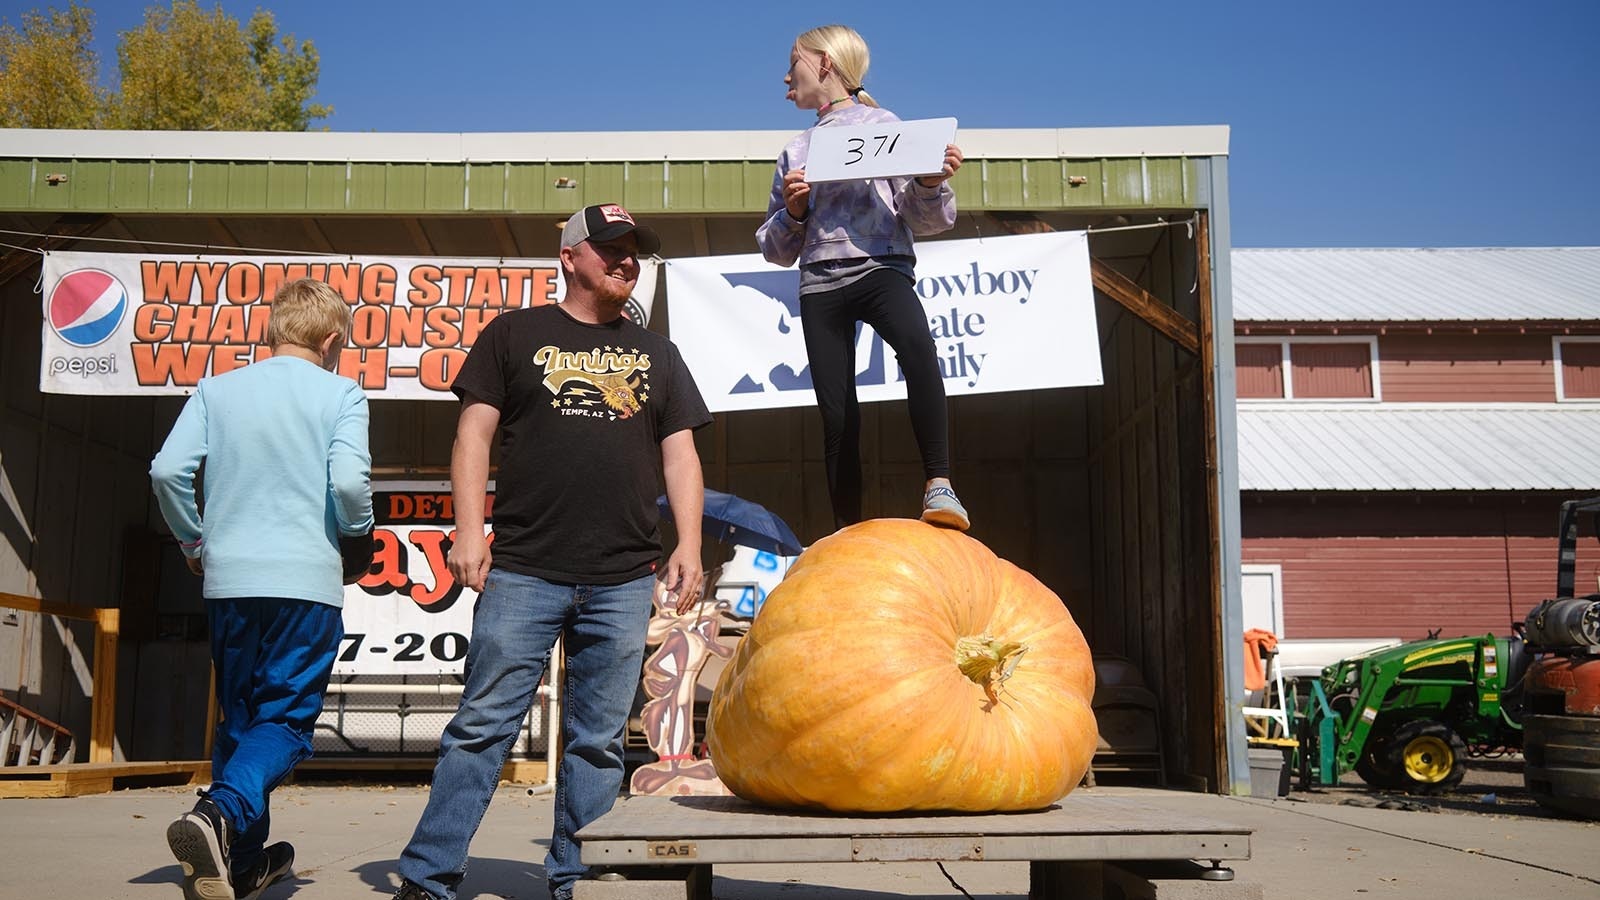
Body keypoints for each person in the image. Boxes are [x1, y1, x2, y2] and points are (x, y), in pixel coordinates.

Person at [392, 203, 712, 900]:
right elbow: (472, 436)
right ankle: (429, 875)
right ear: (570, 256)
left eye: (634, 252)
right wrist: (469, 530)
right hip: (525, 569)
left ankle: (579, 876)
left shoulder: (657, 353)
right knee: (482, 728)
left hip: (624, 576)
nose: (627, 261)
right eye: (612, 249)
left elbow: (680, 454)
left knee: (597, 742)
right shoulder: (514, 333)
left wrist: (688, 541)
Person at [150, 278, 374, 900]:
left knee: (241, 722)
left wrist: (194, 543)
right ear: (332, 340)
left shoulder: (216, 391)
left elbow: (168, 471)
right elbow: (352, 487)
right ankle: (219, 813)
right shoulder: (341, 393)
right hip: (305, 582)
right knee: (285, 723)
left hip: (229, 581)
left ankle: (242, 863)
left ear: (268, 332)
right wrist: (357, 542)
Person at [757, 23, 969, 532]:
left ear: (824, 64)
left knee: (919, 350)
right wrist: (795, 212)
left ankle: (938, 483)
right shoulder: (795, 149)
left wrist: (928, 181)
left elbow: (930, 220)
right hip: (819, 285)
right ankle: (845, 528)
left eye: (794, 64)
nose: (786, 79)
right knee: (836, 410)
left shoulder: (889, 126)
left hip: (883, 269)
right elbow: (773, 248)